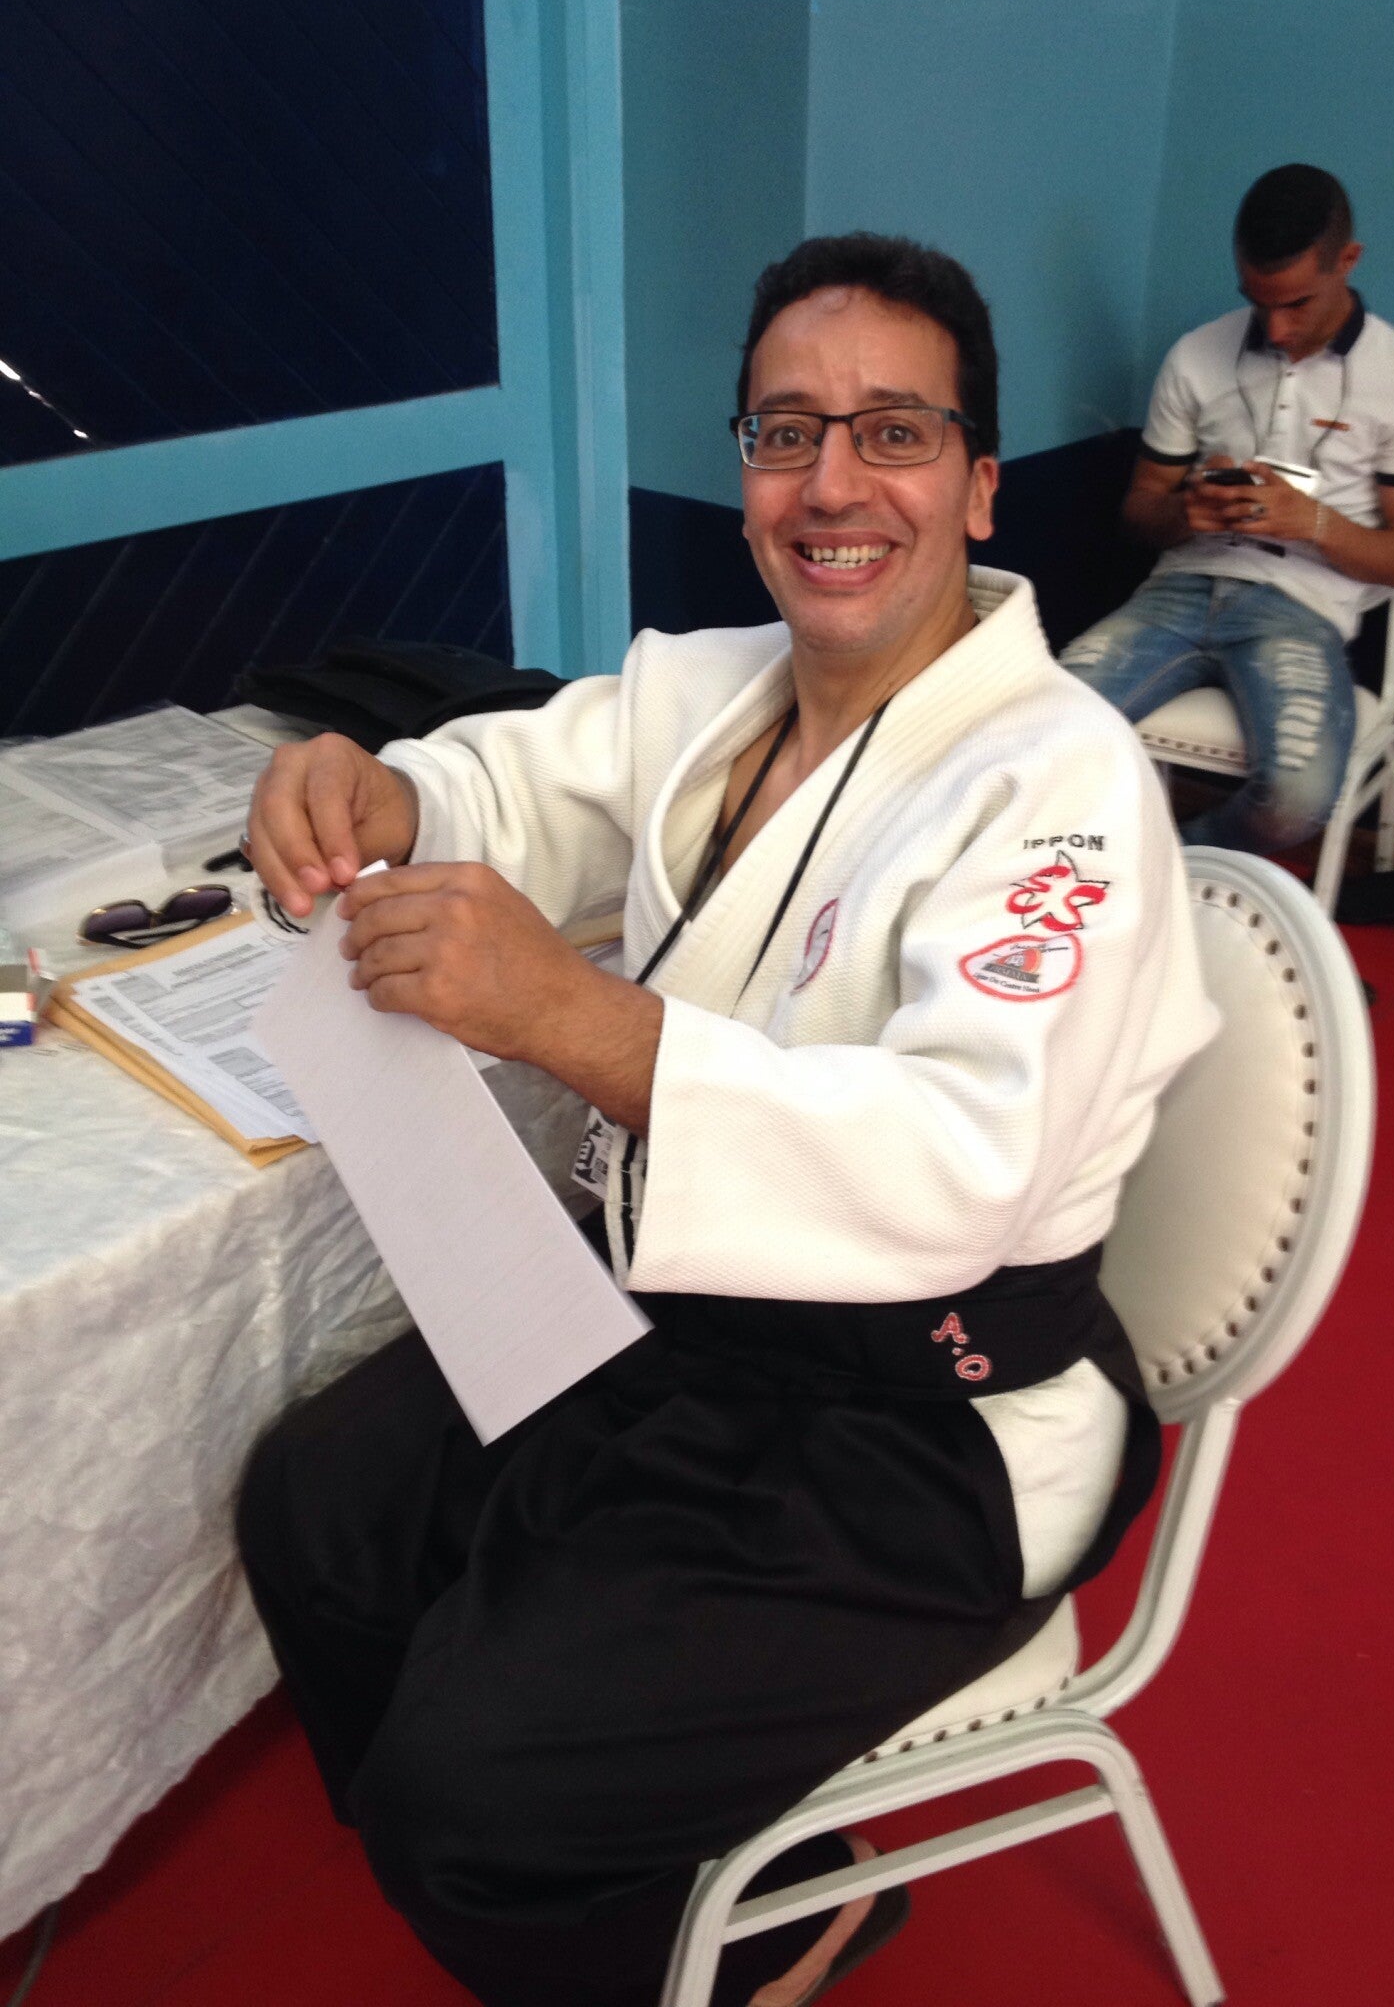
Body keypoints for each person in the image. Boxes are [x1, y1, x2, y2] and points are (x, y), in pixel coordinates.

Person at [236, 232, 1216, 2007]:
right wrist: (388, 790)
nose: (832, 483)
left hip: (931, 1417)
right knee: (321, 1509)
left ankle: (712, 1931)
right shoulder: (712, 690)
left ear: (982, 483)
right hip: (692, 1322)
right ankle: (670, 1887)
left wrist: (572, 1015)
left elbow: (960, 1166)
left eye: (895, 431)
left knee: (470, 1789)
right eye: (785, 432)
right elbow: (523, 781)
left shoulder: (1061, 785)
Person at [1061, 164, 1394, 855]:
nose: (1274, 327)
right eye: (1256, 302)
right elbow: (1139, 512)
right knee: (1039, 730)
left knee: (1295, 804)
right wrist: (1187, 512)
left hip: (1298, 610)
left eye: (1297, 303)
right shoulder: (1196, 356)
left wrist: (1313, 522)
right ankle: (1102, 872)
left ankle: (1166, 868)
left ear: (1347, 261)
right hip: (1177, 592)